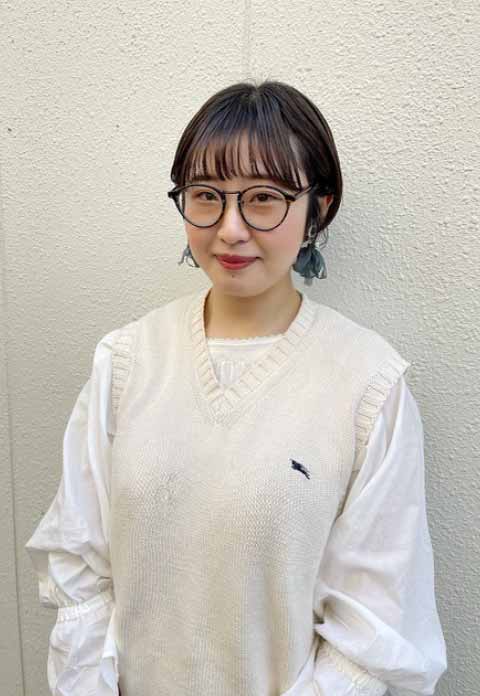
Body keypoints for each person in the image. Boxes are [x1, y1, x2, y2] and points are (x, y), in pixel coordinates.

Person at [25, 79, 447, 696]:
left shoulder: (367, 383)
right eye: (206, 196)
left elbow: (376, 629)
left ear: (318, 207)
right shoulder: (126, 361)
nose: (229, 229)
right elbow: (79, 573)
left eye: (264, 199)